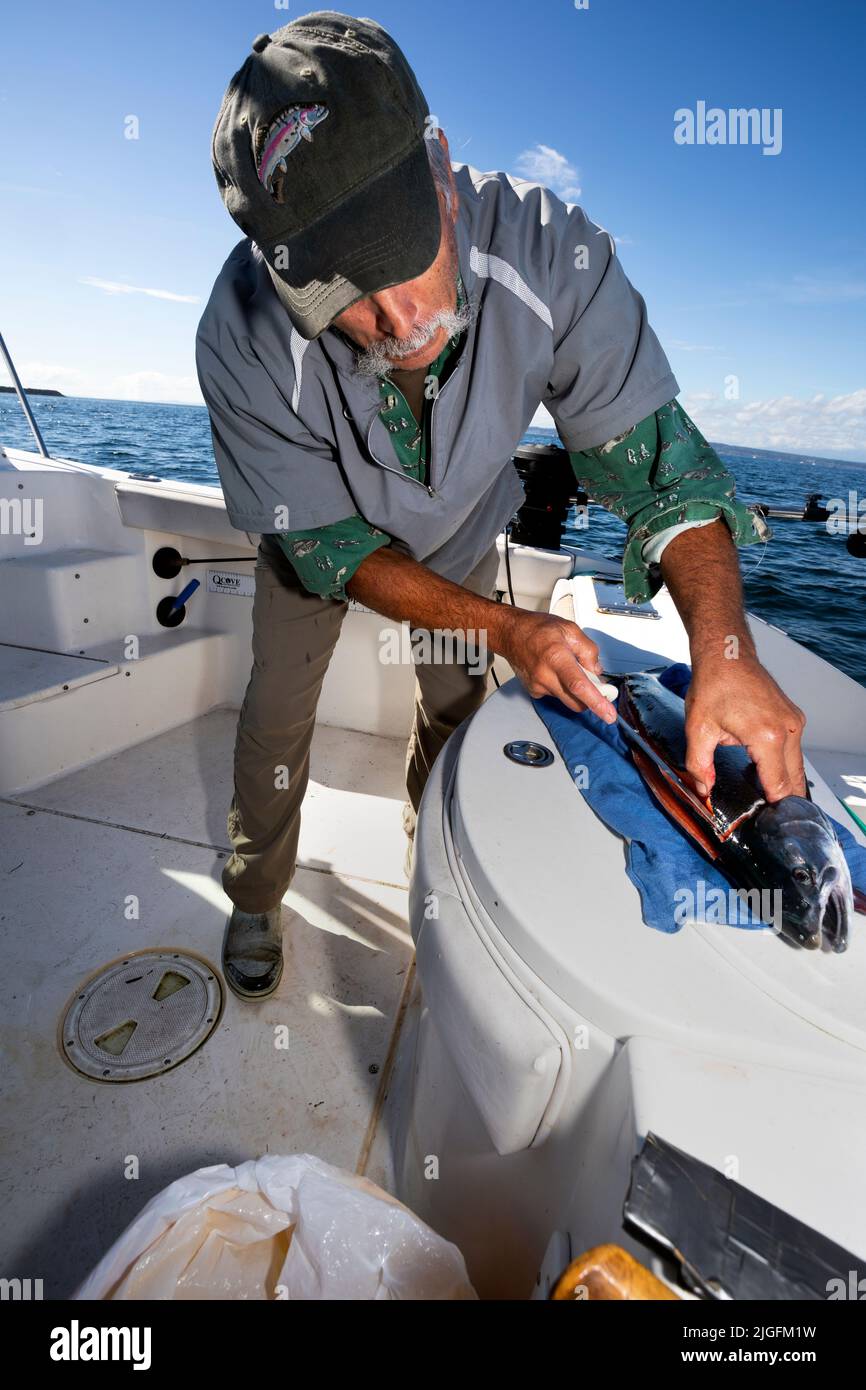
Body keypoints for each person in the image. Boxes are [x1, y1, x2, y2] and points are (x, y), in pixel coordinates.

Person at [196, 12, 806, 999]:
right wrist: (504, 627)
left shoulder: (552, 255)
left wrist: (724, 651)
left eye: (399, 257)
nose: (398, 324)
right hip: (312, 549)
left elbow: (661, 474)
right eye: (343, 294)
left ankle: (430, 844)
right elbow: (326, 549)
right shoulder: (238, 332)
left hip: (461, 537)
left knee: (453, 710)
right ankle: (255, 890)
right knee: (275, 719)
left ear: (439, 165)